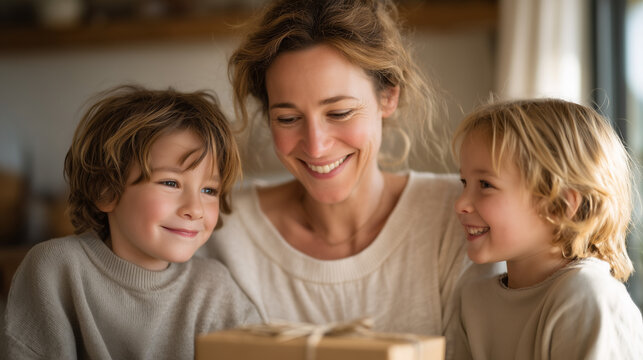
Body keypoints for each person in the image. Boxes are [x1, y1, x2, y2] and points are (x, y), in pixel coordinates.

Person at [200, 0, 500, 340]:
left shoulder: (462, 218)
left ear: (388, 97)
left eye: (339, 112)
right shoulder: (220, 224)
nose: (315, 146)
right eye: (288, 118)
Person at [1, 85, 261, 359]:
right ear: (107, 191)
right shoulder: (53, 269)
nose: (194, 209)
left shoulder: (215, 288)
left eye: (209, 190)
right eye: (170, 183)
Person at [450, 98, 643, 359]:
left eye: (485, 184)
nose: (460, 203)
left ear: (561, 205)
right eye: (464, 182)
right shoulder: (473, 299)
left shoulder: (587, 296)